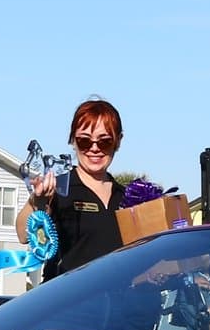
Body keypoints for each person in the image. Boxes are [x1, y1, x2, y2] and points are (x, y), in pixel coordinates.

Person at [17, 98, 128, 280]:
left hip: (117, 302)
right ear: (73, 141)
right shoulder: (57, 188)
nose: (94, 149)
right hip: (67, 302)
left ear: (118, 141)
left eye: (104, 142)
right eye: (85, 141)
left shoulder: (127, 198)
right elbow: (22, 234)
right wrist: (37, 202)